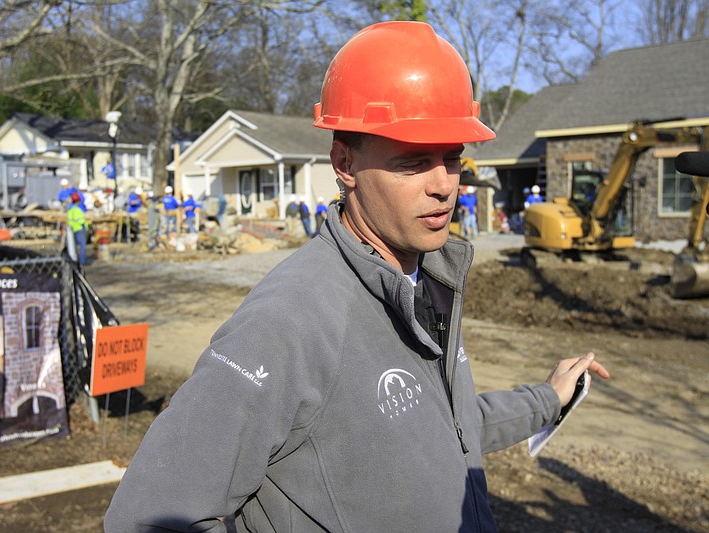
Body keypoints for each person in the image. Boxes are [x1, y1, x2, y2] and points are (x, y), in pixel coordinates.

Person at [105, 21, 609, 533]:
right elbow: (146, 519)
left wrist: (547, 399)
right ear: (344, 162)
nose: (444, 187)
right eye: (413, 163)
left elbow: (442, 426)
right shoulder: (290, 319)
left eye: (452, 158)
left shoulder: (426, 278)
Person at [67, 191, 89, 265]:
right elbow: (81, 221)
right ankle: (82, 261)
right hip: (79, 229)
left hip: (72, 229)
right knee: (82, 246)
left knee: (74, 246)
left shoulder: (69, 210)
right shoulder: (77, 210)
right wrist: (86, 227)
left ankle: (75, 260)